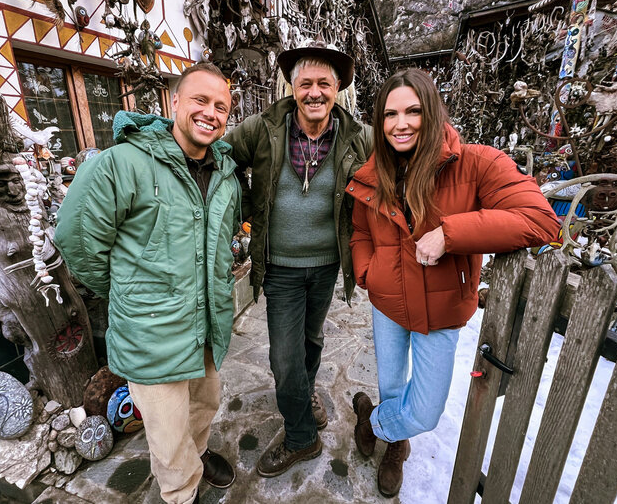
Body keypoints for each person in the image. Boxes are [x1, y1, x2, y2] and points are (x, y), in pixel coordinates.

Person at [346, 69, 560, 498]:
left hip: (440, 311)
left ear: (432, 111)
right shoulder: (375, 172)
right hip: (386, 303)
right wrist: (368, 272)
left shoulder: (478, 163)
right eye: (389, 114)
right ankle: (397, 444)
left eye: (412, 111)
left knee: (424, 411)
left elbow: (540, 220)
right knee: (393, 387)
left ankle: (375, 423)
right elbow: (360, 232)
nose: (400, 124)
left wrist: (450, 234)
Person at [54, 62, 240, 504]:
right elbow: (76, 238)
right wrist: (129, 293)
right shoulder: (122, 163)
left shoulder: (225, 174)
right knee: (167, 431)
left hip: (207, 325)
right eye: (200, 100)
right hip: (152, 332)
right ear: (175, 101)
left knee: (204, 403)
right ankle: (181, 492)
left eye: (221, 106)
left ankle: (198, 455)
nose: (210, 113)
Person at [224, 41, 372, 477]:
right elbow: (223, 157)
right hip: (281, 266)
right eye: (305, 83)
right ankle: (302, 437)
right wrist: (247, 206)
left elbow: (390, 175)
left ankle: (304, 395)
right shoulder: (264, 128)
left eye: (324, 83)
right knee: (284, 358)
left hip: (326, 265)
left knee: (311, 340)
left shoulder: (358, 136)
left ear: (337, 88)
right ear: (292, 86)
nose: (314, 92)